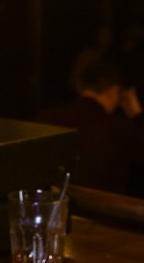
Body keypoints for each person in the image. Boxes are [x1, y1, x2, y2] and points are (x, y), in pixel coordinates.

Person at [40, 55, 144, 196]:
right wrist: (137, 114)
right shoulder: (120, 129)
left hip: (53, 204)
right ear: (115, 91)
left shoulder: (47, 118)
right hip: (103, 208)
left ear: (80, 87)